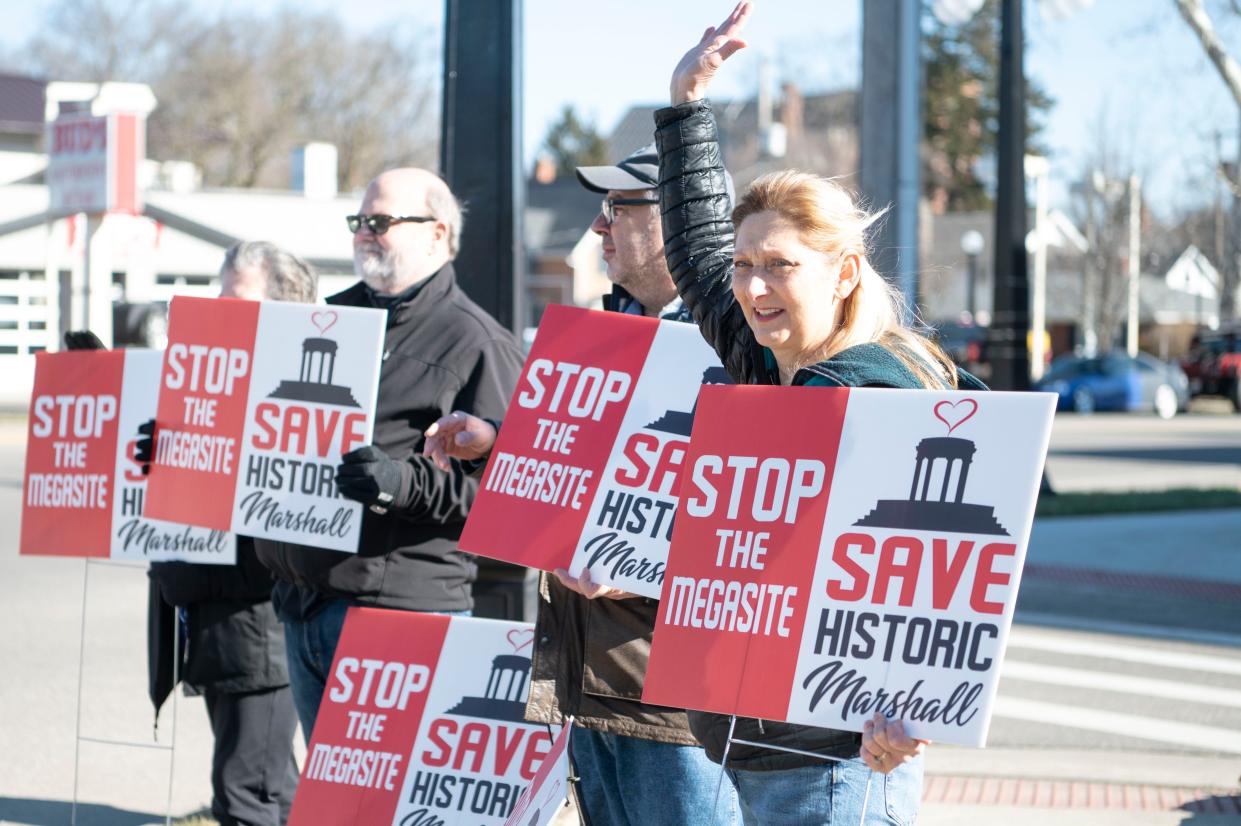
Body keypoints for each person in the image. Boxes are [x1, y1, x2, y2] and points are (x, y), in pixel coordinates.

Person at [649, 3, 987, 823]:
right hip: (764, 742)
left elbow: (950, 563)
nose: (752, 286)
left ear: (842, 274)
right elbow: (696, 260)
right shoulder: (775, 366)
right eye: (746, 265)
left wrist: (919, 709)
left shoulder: (876, 385)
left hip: (836, 759)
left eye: (779, 266)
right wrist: (686, 101)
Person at [422, 146, 740, 825]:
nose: (598, 229)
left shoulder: (736, 351)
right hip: (590, 676)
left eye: (617, 210)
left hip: (677, 701)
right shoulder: (606, 336)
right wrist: (496, 444)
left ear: (681, 222)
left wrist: (641, 569)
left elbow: (756, 524)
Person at [253, 168, 525, 738]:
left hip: (400, 616)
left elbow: (509, 494)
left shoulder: (478, 342)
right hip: (304, 608)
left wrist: (397, 483)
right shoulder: (330, 321)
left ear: (436, 233)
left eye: (382, 222)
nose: (365, 234)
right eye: (359, 222)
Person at [72, 240, 315, 826]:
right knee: (264, 783)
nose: (216, 310)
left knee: (248, 793)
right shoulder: (202, 380)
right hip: (211, 612)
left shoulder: (292, 395)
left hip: (260, 626)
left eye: (235, 299)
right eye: (217, 295)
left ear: (283, 311)